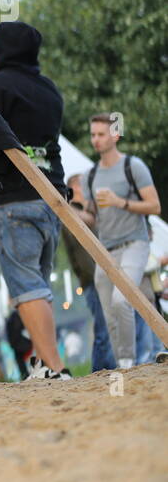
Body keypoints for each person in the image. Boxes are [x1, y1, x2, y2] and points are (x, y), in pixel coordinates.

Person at [0, 22, 69, 379]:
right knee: (39, 290)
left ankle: (53, 367)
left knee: (27, 289)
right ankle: (44, 365)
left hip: (16, 201)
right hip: (54, 199)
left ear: (7, 49)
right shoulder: (49, 90)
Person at [75, 113, 162, 368]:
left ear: (115, 135)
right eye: (93, 135)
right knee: (109, 312)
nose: (95, 140)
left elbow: (155, 206)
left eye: (101, 134)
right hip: (105, 251)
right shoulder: (89, 176)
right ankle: (124, 366)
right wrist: (75, 212)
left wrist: (119, 201)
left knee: (122, 300)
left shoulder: (133, 166)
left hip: (134, 244)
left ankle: (127, 362)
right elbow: (93, 216)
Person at [63, 173, 112, 371]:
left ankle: (106, 369)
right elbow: (87, 222)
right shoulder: (69, 212)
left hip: (100, 278)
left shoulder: (84, 212)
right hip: (92, 279)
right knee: (103, 328)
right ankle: (101, 371)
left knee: (107, 327)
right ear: (75, 187)